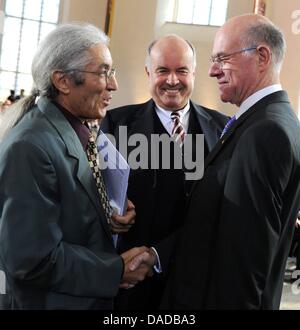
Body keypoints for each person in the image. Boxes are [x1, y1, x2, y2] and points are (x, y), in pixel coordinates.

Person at [0, 22, 150, 310]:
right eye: (103, 71)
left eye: (112, 71)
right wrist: (115, 269)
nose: (114, 84)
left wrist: (110, 208)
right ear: (63, 81)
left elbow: (68, 203)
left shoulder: (75, 129)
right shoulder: (29, 147)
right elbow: (31, 259)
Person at [159, 14, 300, 310]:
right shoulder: (264, 121)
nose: (212, 70)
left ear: (261, 56)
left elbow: (244, 261)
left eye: (222, 58)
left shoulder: (265, 131)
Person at [101, 34, 228, 310]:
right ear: (148, 72)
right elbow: (96, 192)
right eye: (162, 71)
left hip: (197, 283)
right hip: (134, 285)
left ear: (193, 72)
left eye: (181, 70)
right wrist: (110, 210)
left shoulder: (223, 130)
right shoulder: (116, 123)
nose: (172, 80)